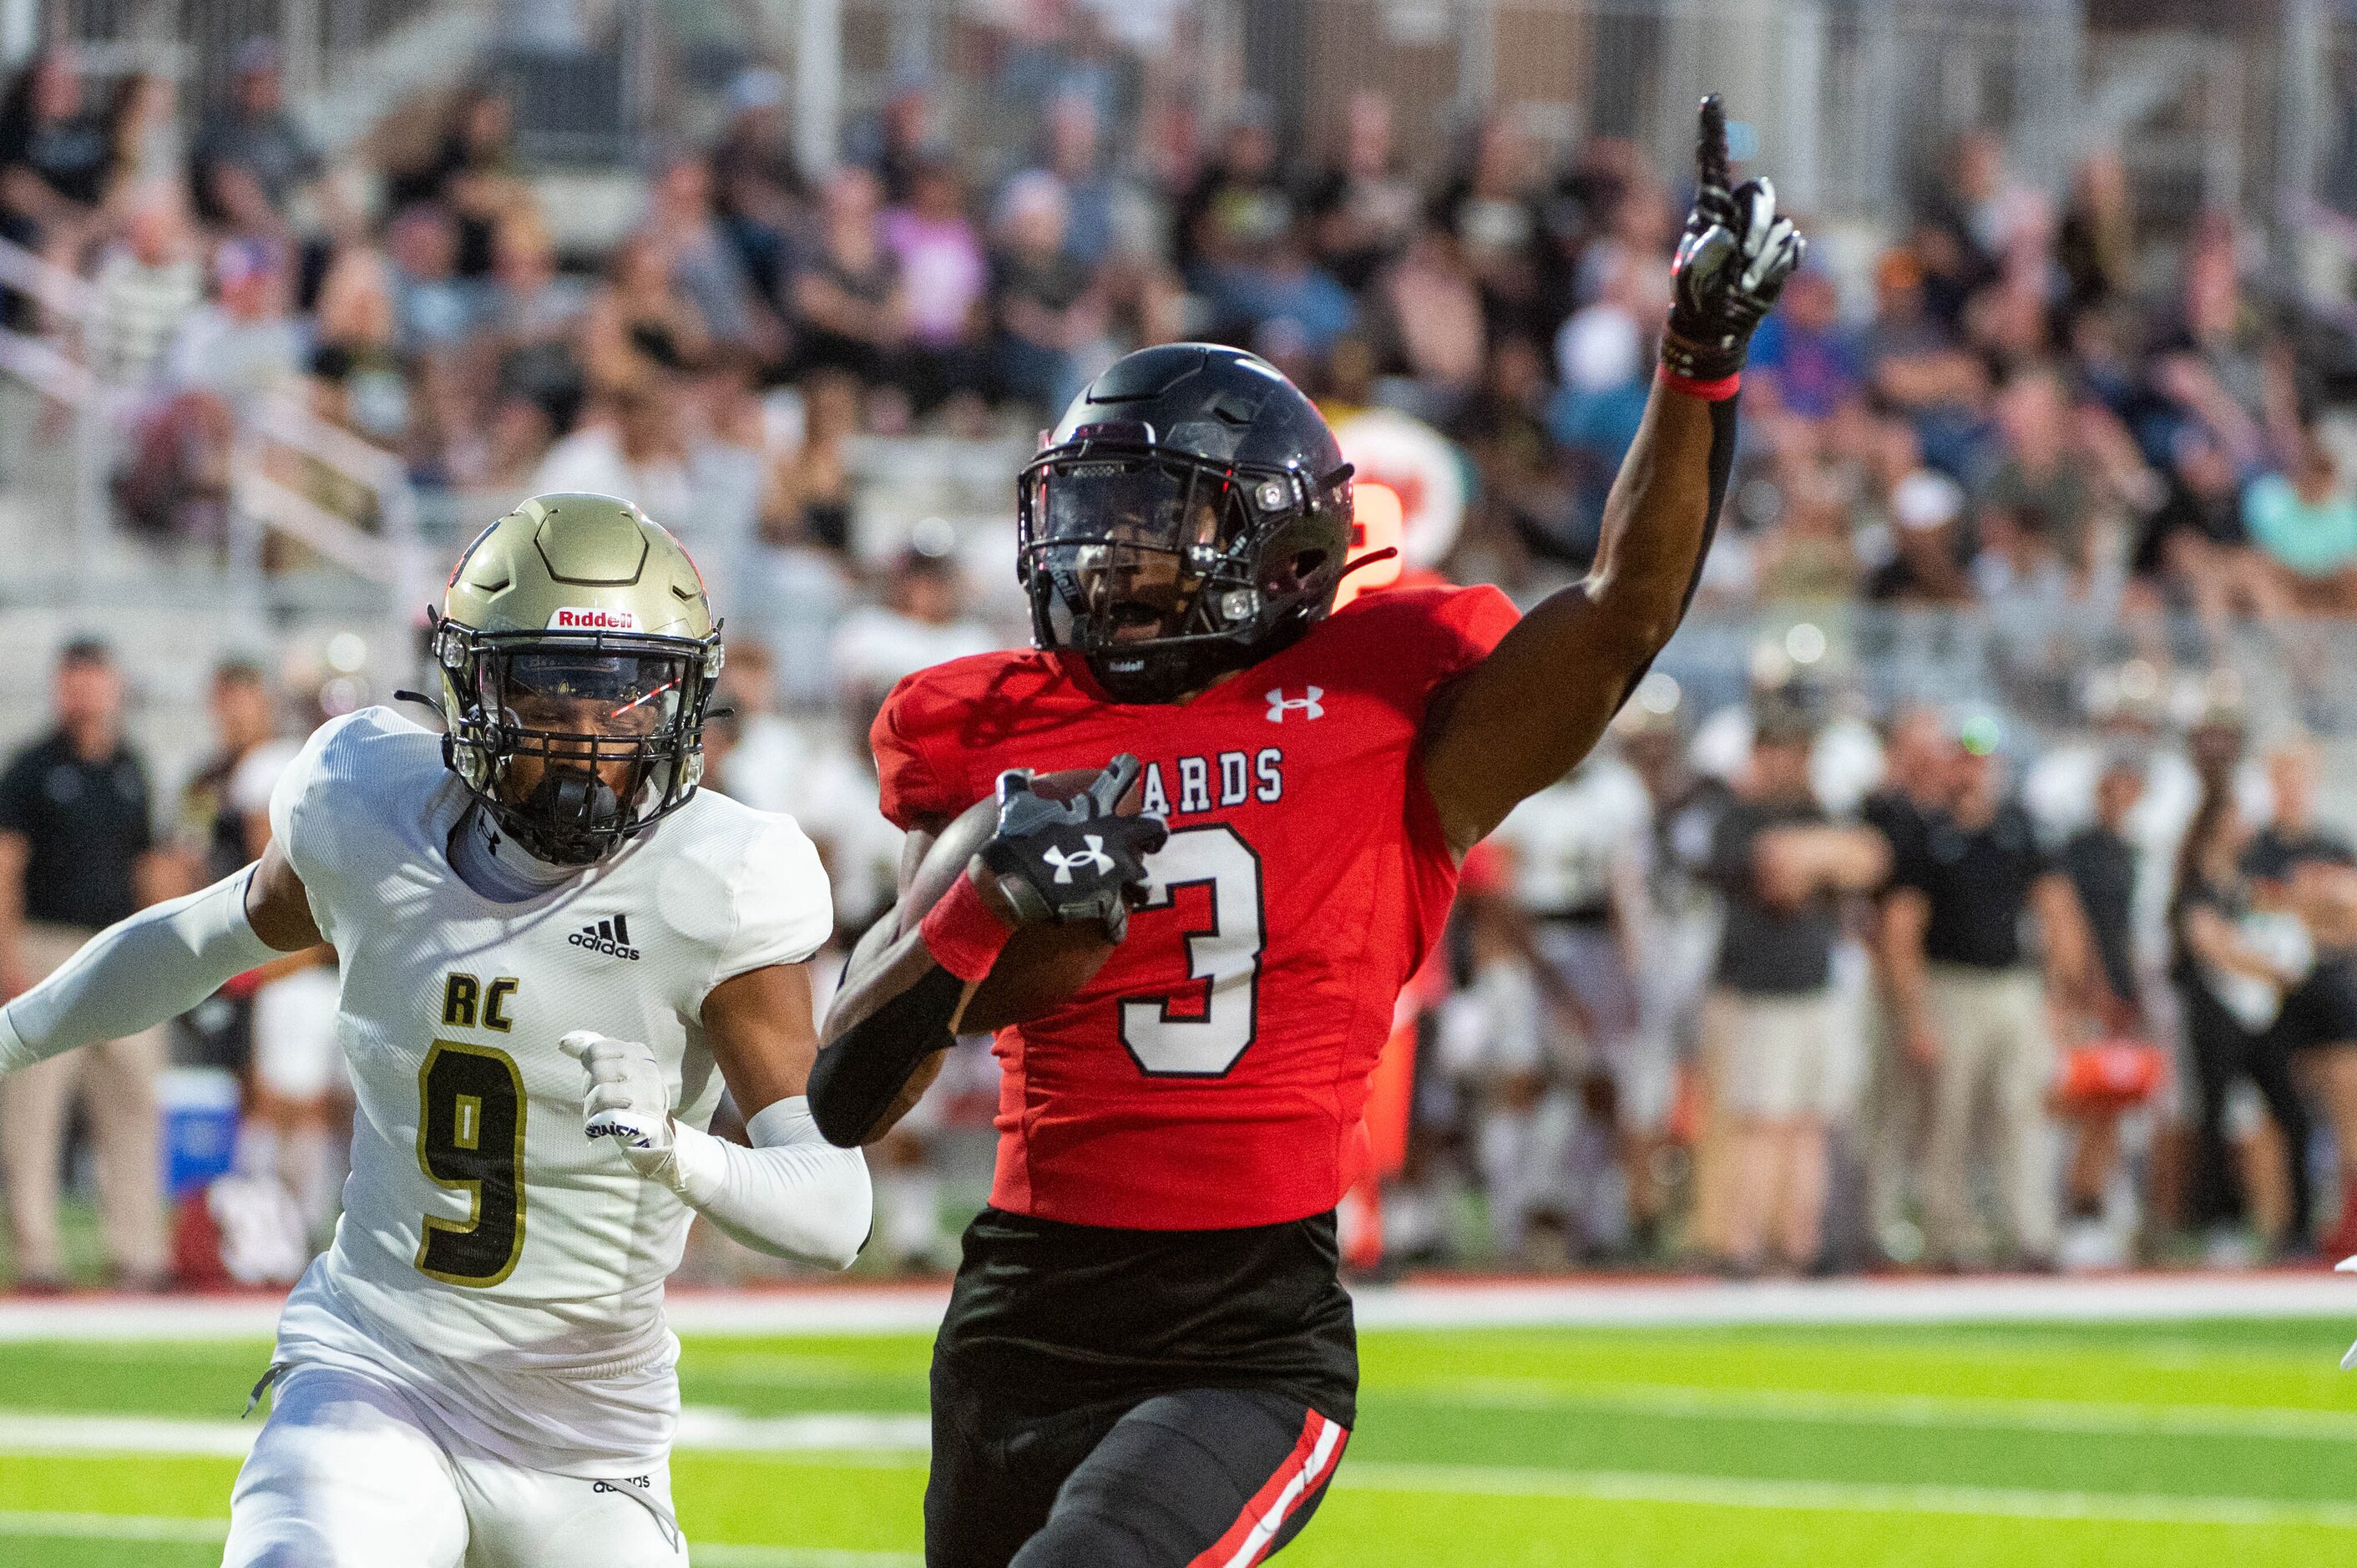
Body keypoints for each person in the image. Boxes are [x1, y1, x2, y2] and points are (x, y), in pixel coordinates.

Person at [810, 99, 1801, 1566]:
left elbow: (1616, 616)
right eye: (1092, 515)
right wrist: (985, 896)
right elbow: (850, 1083)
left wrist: (1696, 365)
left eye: (1155, 522)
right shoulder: (993, 719)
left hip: (1241, 1326)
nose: (1104, 556)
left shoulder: (1385, 702)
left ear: (1276, 546)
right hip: (1018, 1302)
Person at [0, 495, 870, 1562]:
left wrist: (679, 1153)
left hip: (591, 1433)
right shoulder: (370, 800)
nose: (589, 736)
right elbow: (202, 936)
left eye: (624, 694)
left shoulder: (717, 879)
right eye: (553, 687)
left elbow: (836, 1211)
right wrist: (12, 1036)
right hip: (377, 1366)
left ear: (681, 702)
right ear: (472, 688)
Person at [1881, 716, 2097, 1269]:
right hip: (1949, 984)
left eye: (1982, 760)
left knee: (2020, 1112)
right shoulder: (1928, 834)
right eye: (1963, 758)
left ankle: (2031, 1233)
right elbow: (1902, 929)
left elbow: (2057, 912)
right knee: (1947, 1116)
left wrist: (2061, 998)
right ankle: (1947, 1237)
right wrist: (1914, 1017)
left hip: (2012, 987)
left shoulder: (2020, 826)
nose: (1972, 771)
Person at [0, 640, 175, 1290]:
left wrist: (167, 953)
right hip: (47, 946)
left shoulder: (131, 766)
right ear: (59, 688)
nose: (85, 693)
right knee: (35, 1107)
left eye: (95, 680)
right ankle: (38, 1255)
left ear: (114, 687)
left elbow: (147, 866)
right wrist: (8, 955)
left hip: (120, 950)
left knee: (131, 1101)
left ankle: (137, 1251)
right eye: (73, 681)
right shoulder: (31, 766)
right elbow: (6, 864)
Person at [1699, 705, 1888, 1273]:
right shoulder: (1736, 817)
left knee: (1811, 1120)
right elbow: (1776, 874)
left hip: (1815, 983)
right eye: (1777, 749)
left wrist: (1817, 856)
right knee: (1761, 1120)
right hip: (1759, 986)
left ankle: (1801, 1244)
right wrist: (1824, 856)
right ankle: (1740, 1244)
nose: (1789, 762)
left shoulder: (1815, 810)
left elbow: (1872, 860)